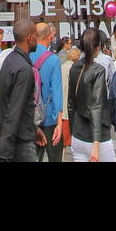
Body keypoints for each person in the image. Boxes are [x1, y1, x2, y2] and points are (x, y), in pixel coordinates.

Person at [0, 17, 45, 162]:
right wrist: (4, 152)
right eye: (36, 36)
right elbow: (14, 110)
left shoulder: (9, 60)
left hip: (8, 137)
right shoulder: (24, 69)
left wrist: (33, 129)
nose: (37, 40)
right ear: (30, 38)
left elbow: (7, 103)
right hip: (19, 144)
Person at [67, 28, 114, 162]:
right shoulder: (98, 70)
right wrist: (96, 143)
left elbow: (71, 104)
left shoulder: (74, 67)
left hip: (78, 133)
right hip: (98, 136)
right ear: (98, 46)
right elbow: (97, 106)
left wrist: (72, 132)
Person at [31, 21, 64, 162]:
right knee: (55, 157)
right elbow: (56, 90)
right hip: (49, 116)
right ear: (49, 37)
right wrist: (60, 122)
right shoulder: (53, 59)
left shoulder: (25, 55)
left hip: (30, 117)